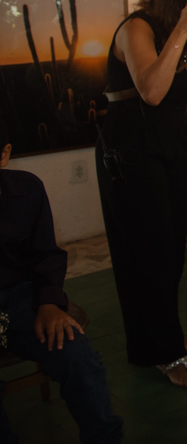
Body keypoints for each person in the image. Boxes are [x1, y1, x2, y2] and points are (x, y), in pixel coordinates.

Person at [93, 0, 187, 389]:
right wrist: (183, 31)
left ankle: (160, 334)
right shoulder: (137, 29)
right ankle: (165, 353)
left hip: (173, 145)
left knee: (171, 249)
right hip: (132, 150)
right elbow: (151, 90)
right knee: (147, 252)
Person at [0, 122, 123, 444]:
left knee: (77, 354)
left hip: (20, 298)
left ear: (4, 154)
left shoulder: (27, 189)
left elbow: (45, 254)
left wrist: (50, 302)